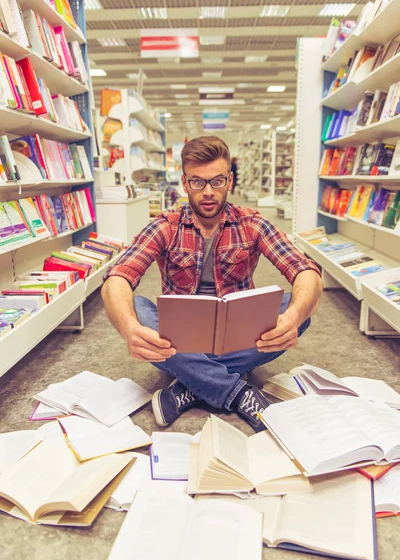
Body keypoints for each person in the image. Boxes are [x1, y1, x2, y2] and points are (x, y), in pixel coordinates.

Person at [102, 136, 323, 432]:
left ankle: (192, 382)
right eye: (197, 182)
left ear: (229, 181)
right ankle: (237, 392)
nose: (208, 192)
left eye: (217, 182)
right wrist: (130, 329)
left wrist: (294, 317)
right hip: (180, 338)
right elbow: (118, 276)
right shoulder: (165, 225)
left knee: (299, 311)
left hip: (239, 336)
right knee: (138, 309)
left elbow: (305, 270)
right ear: (184, 182)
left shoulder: (252, 223)